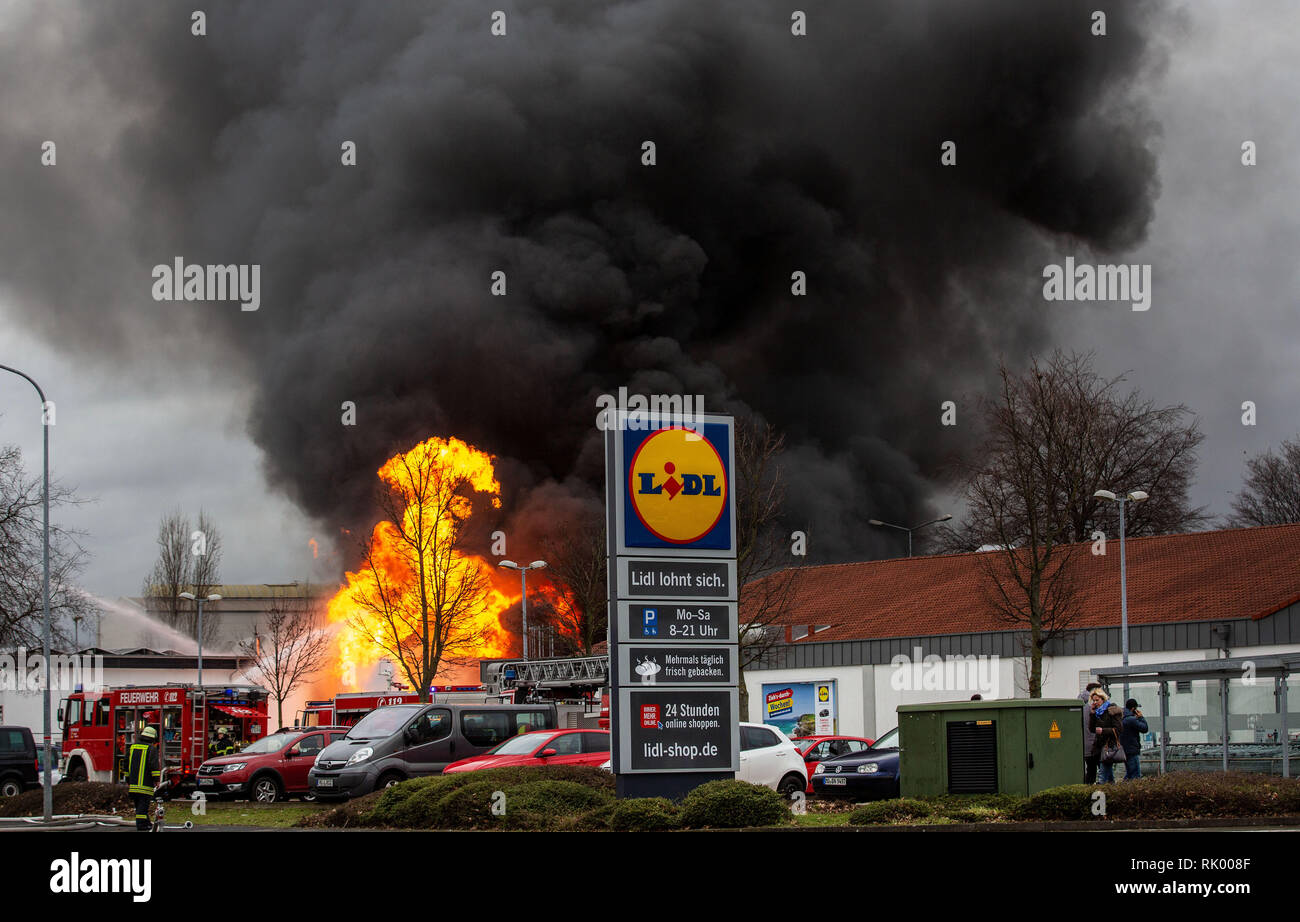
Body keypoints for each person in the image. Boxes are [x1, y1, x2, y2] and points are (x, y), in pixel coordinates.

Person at [127, 726, 161, 831]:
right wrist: (157, 779)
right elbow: (154, 766)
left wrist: (128, 780)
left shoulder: (132, 748)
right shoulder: (152, 749)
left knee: (139, 807)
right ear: (153, 738)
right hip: (145, 786)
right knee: (143, 807)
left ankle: (146, 823)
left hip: (133, 784)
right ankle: (141, 826)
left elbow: (125, 765)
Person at [1090, 688, 1124, 783]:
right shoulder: (1097, 713)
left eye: (1097, 700)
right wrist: (1092, 714)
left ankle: (1101, 792)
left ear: (1103, 699)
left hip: (1109, 747)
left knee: (1102, 776)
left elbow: (1119, 729)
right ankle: (1112, 790)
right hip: (1099, 747)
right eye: (1094, 700)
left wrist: (1103, 731)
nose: (1095, 702)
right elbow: (1092, 729)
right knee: (1108, 776)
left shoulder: (1112, 711)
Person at [1080, 682, 1102, 783]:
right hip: (1094, 744)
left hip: (1084, 745)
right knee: (1101, 771)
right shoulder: (1091, 707)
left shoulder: (1080, 704)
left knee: (1090, 771)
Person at [1121, 698, 1149, 781]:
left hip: (1124, 749)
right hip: (1132, 749)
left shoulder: (1122, 717)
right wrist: (1141, 717)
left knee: (1129, 773)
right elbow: (1144, 728)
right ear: (1133, 709)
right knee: (1135, 775)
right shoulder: (1131, 719)